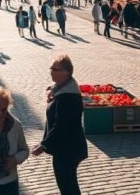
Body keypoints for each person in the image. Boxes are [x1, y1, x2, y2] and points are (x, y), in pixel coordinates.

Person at [32, 54, 88, 195]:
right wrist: (50, 93)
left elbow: (61, 125)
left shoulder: (68, 97)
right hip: (65, 146)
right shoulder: (62, 87)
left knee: (68, 187)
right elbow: (52, 89)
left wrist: (44, 145)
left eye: (55, 69)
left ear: (66, 73)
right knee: (67, 185)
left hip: (68, 149)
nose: (51, 71)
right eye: (51, 68)